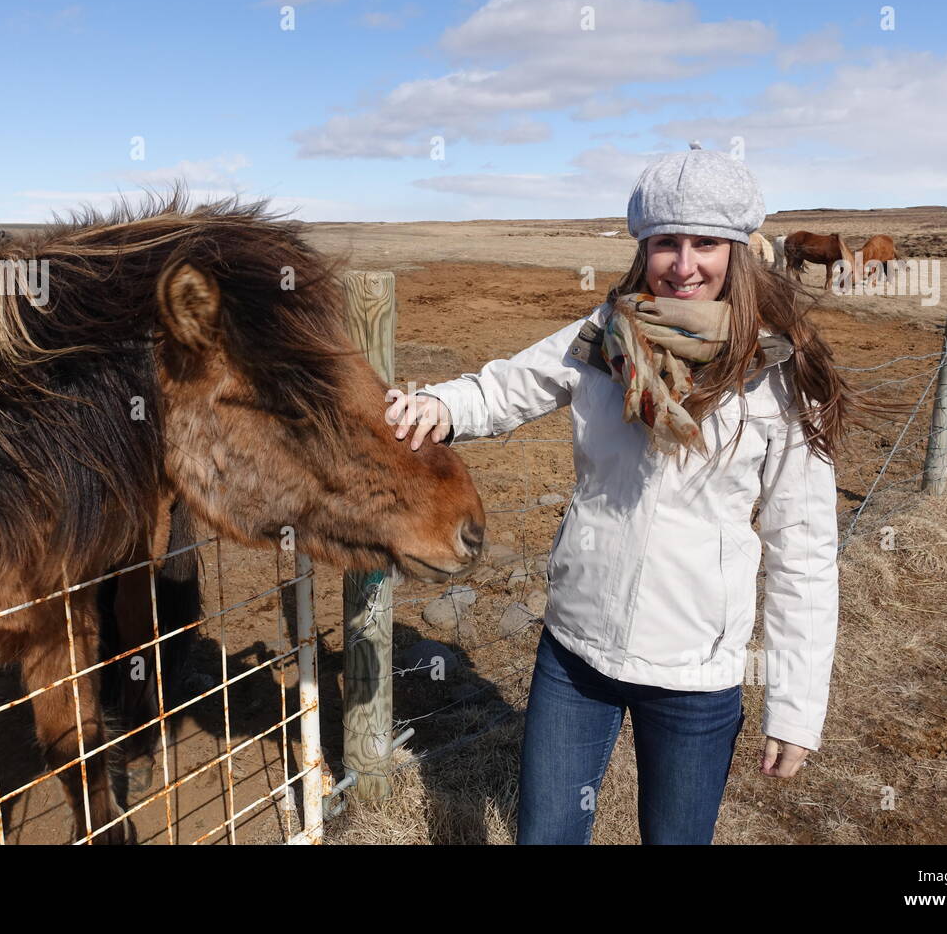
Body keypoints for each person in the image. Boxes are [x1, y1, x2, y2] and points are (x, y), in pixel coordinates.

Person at [383, 145, 895, 845]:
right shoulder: (602, 338)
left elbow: (803, 551)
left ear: (738, 251)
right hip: (576, 651)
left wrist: (797, 708)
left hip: (696, 674)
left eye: (705, 242)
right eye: (665, 243)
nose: (684, 264)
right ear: (643, 249)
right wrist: (439, 406)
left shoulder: (775, 374)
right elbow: (504, 387)